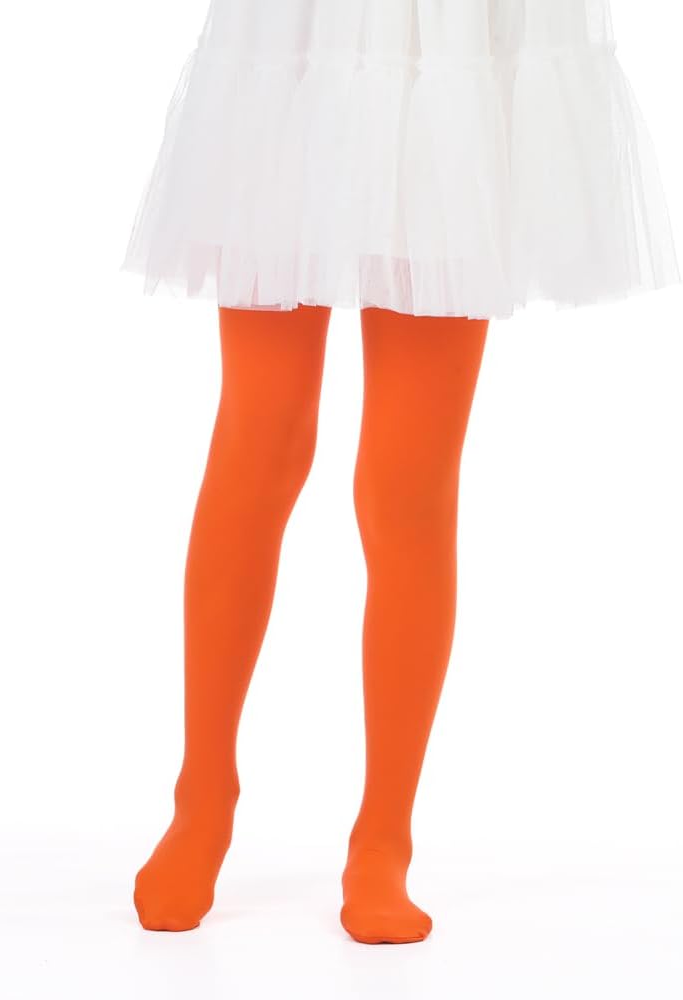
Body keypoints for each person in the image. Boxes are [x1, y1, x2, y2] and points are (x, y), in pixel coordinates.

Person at [120, 1, 679, 945]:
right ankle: (201, 798)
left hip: (453, 44)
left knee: (408, 482)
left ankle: (383, 837)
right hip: (296, 35)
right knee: (260, 438)